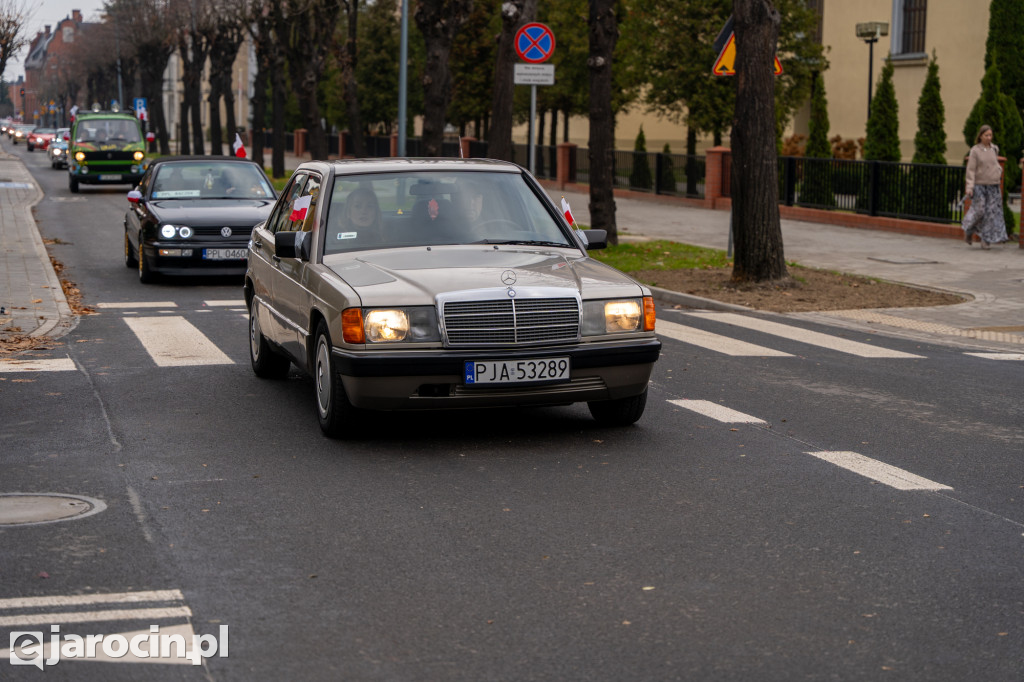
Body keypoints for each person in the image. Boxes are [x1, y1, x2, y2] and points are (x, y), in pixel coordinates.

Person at [962, 124, 1008, 249]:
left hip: (993, 186)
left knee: (990, 214)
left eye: (990, 135)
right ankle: (969, 230)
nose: (989, 137)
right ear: (980, 136)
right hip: (980, 186)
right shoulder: (975, 151)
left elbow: (995, 163)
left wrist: (998, 171)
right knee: (979, 210)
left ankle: (985, 240)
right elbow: (970, 170)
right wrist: (970, 187)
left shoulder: (994, 149)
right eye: (986, 135)